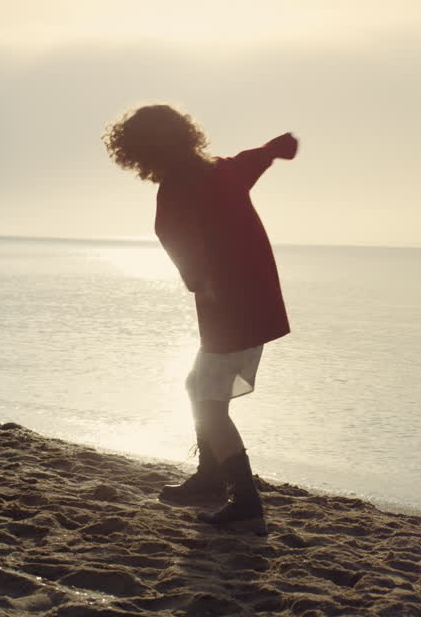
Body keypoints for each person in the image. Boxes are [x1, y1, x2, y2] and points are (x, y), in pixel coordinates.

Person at [102, 104, 297, 532]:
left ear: (141, 152)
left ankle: (245, 501)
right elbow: (255, 158)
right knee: (201, 390)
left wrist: (198, 280)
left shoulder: (176, 188)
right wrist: (278, 148)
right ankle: (211, 477)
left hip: (230, 305)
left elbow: (172, 238)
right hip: (255, 301)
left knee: (210, 405)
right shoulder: (225, 170)